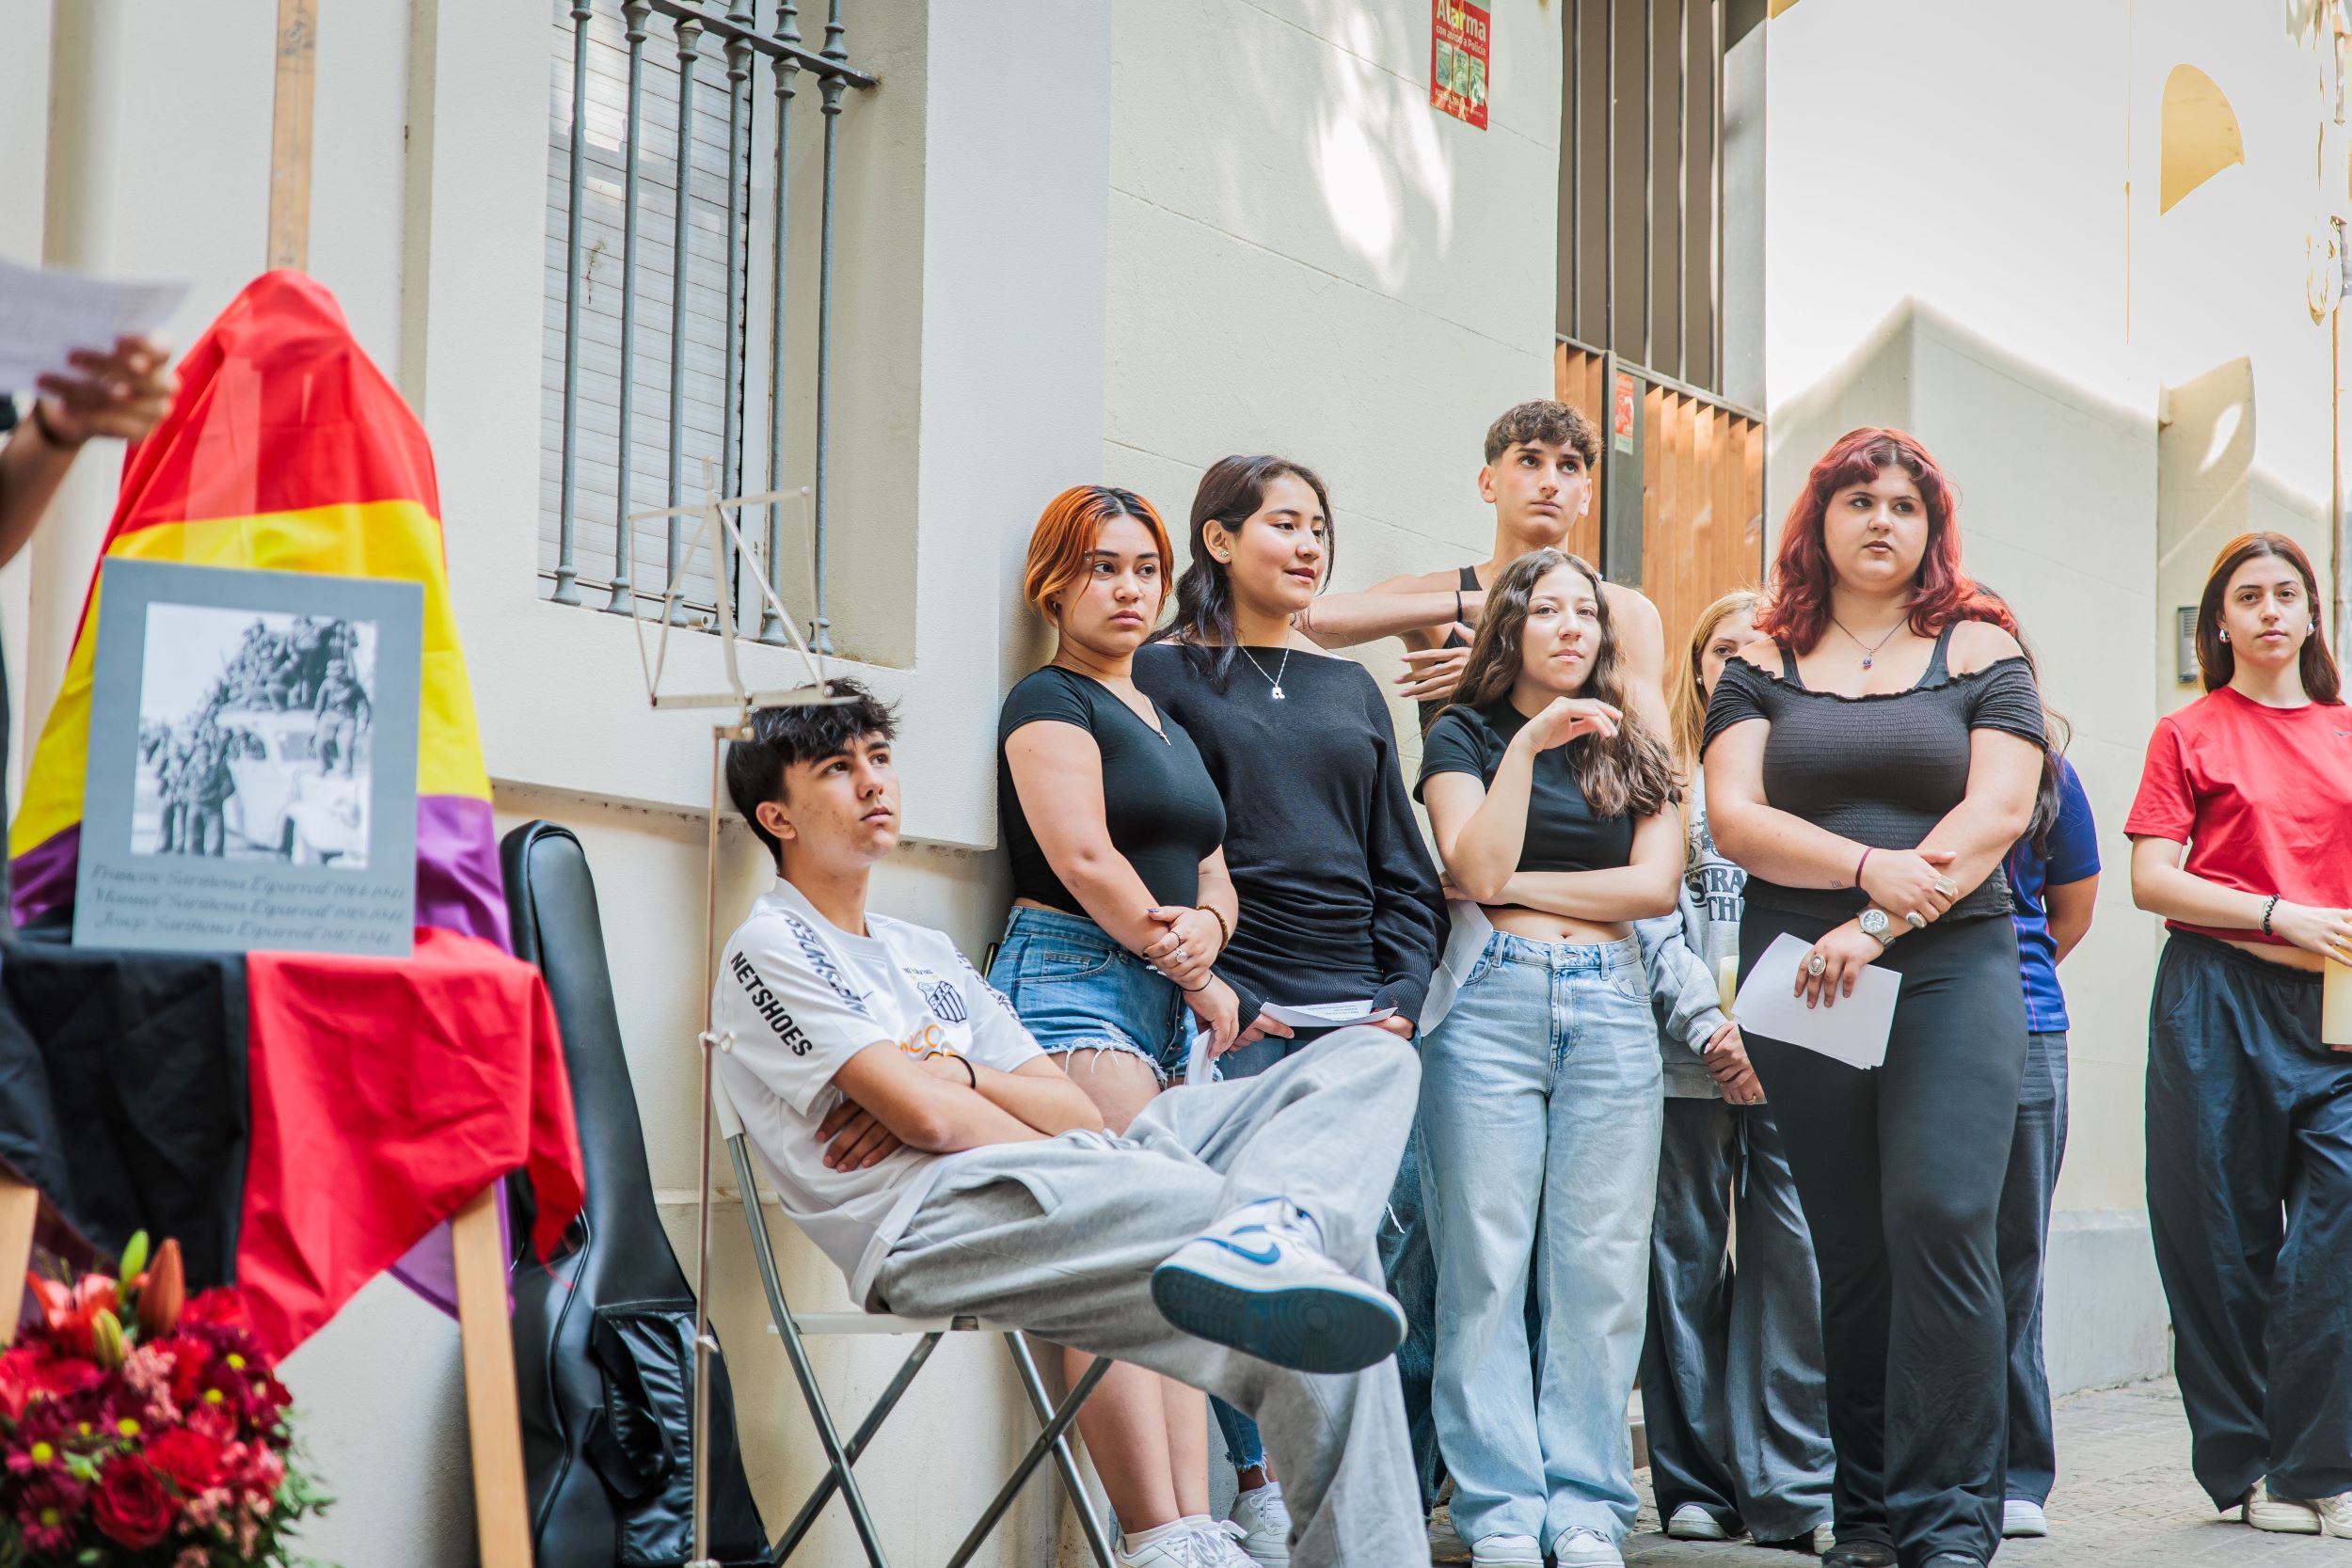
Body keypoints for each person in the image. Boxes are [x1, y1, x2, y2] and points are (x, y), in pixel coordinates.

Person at [713, 680, 1429, 1568]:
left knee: (1369, 1062)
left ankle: (1272, 1229)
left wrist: (957, 1076)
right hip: (942, 1222)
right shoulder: (774, 945)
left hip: (1085, 1170)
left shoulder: (922, 951)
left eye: (881, 757)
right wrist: (953, 1104)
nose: (873, 782)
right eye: (836, 767)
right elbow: (931, 1118)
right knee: (1327, 1270)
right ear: (777, 816)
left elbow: (1070, 1110)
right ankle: (1271, 1237)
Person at [1703, 428, 2047, 1568]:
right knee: (1849, 1246)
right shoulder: (1761, 654)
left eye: (1904, 502)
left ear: (1931, 525)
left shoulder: (1978, 646)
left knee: (1939, 1215)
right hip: (1801, 972)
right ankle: (1867, 1517)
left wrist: (1878, 918)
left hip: (1948, 961)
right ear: (1819, 519)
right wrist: (1860, 869)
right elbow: (1736, 816)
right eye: (1857, 499)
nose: (1880, 519)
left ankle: (1948, 1522)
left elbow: (1997, 811)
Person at [1135, 454, 1445, 1560]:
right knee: (1234, 1258)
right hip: (1241, 1018)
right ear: (1218, 540)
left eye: (1319, 525)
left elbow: (1401, 865)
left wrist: (1401, 993)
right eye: (1283, 523)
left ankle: (1353, 1508)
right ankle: (1257, 1483)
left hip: (1364, 1025)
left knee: (1366, 1259)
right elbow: (1164, 844)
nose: (1308, 544)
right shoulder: (1162, 671)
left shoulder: (1350, 688)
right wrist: (1227, 991)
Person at [991, 484, 1250, 1567]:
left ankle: (1196, 1523)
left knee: (1171, 1259)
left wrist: (1206, 935)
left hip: (1159, 999)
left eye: (1145, 568)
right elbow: (1084, 856)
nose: (1129, 587)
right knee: (1115, 1258)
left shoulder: (1164, 717)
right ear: (1052, 583)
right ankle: (1157, 1529)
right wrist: (1181, 955)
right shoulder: (1047, 699)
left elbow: (1214, 870)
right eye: (1103, 566)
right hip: (1075, 983)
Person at [1412, 548, 1683, 1568]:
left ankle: (1585, 1506)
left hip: (1611, 1003)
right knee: (1482, 1263)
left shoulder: (1634, 741)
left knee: (1599, 1268)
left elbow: (1653, 888)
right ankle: (1497, 1511)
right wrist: (1527, 745)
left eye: (1587, 612)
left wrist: (1517, 887)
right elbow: (1472, 862)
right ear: (1511, 626)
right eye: (1549, 610)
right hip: (1489, 1003)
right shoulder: (1464, 733)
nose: (1572, 626)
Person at [2124, 531, 2352, 1538]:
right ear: (2220, 619)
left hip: (2336, 1006)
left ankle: (2320, 1462)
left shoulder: (2346, 731)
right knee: (2216, 1237)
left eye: (2286, 593)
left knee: (2337, 1230)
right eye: (2248, 596)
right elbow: (2152, 878)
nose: (2268, 610)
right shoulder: (2188, 732)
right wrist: (2275, 913)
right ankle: (2249, 1466)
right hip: (2213, 999)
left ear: (2312, 612)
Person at [1636, 588, 1835, 1555]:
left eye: (1765, 646)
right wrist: (1712, 1025)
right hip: (1684, 1059)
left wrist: (1765, 1032)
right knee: (1679, 1264)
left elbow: (1837, 917)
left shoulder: (1816, 783)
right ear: (1697, 666)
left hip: (1792, 1057)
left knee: (1792, 1263)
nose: (1743, 661)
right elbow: (1645, 916)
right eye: (1725, 648)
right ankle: (1696, 1483)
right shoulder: (1660, 776)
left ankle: (1792, 1486)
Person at [1295, 399, 1668, 734]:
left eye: (1568, 466)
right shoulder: (1441, 595)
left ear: (1585, 495)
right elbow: (1306, 622)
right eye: (1530, 461)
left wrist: (1506, 670)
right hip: (1461, 790)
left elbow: (1656, 757)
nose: (1550, 483)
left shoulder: (1626, 612)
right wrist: (1481, 601)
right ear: (1488, 483)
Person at [1972, 601, 2099, 1544]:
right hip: (1898, 1018)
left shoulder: (2051, 771)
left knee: (2016, 1252)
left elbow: (2071, 911)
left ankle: (2018, 1468)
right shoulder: (1898, 757)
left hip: (2025, 1022)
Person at [312, 656, 372, 777]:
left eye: (338, 675)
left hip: (348, 718)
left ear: (344, 673)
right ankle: (325, 765)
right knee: (320, 742)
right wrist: (317, 718)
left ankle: (346, 771)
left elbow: (364, 704)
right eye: (332, 675)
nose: (335, 678)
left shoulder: (354, 686)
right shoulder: (327, 684)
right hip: (329, 716)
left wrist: (365, 721)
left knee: (345, 744)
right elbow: (320, 702)